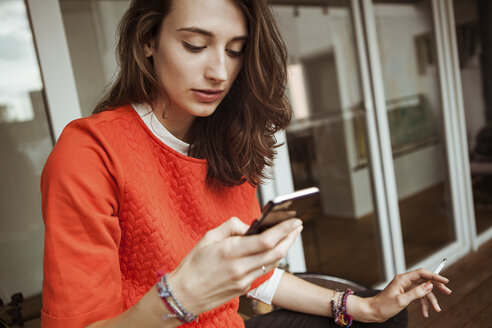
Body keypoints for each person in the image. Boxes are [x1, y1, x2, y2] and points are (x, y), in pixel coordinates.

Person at [40, 0, 452, 327]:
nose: (219, 71)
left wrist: (365, 308)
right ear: (148, 40)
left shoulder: (227, 140)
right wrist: (180, 298)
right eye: (195, 45)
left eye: (235, 51)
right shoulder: (91, 153)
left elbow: (255, 277)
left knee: (386, 317)